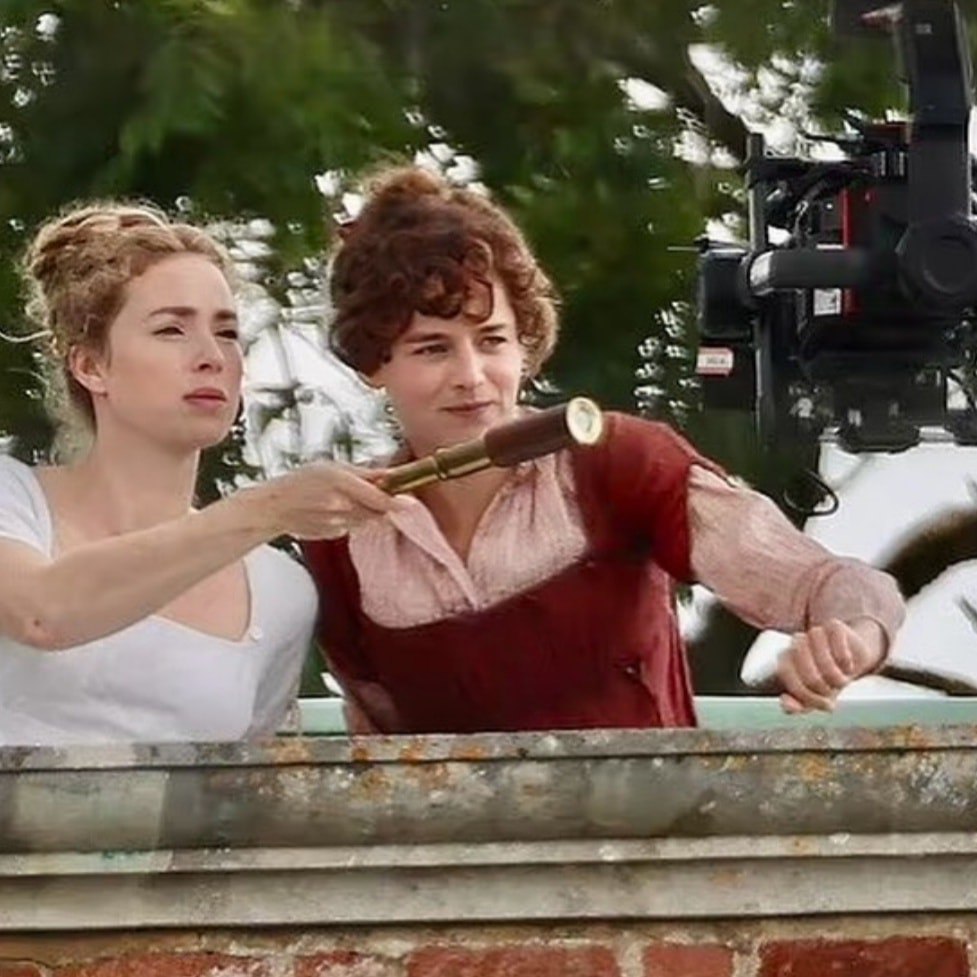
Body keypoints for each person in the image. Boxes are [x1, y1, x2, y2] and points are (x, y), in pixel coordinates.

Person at [302, 165, 907, 735]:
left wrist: (850, 637)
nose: (472, 376)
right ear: (372, 363)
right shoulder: (338, 534)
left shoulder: (616, 462)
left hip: (650, 813)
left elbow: (825, 581)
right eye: (433, 349)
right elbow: (378, 746)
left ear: (524, 344)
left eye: (492, 341)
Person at [0, 202, 403, 745]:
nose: (212, 356)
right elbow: (42, 615)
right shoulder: (13, 498)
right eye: (171, 329)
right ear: (91, 365)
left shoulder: (279, 592)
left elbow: (250, 786)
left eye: (228, 331)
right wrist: (267, 508)